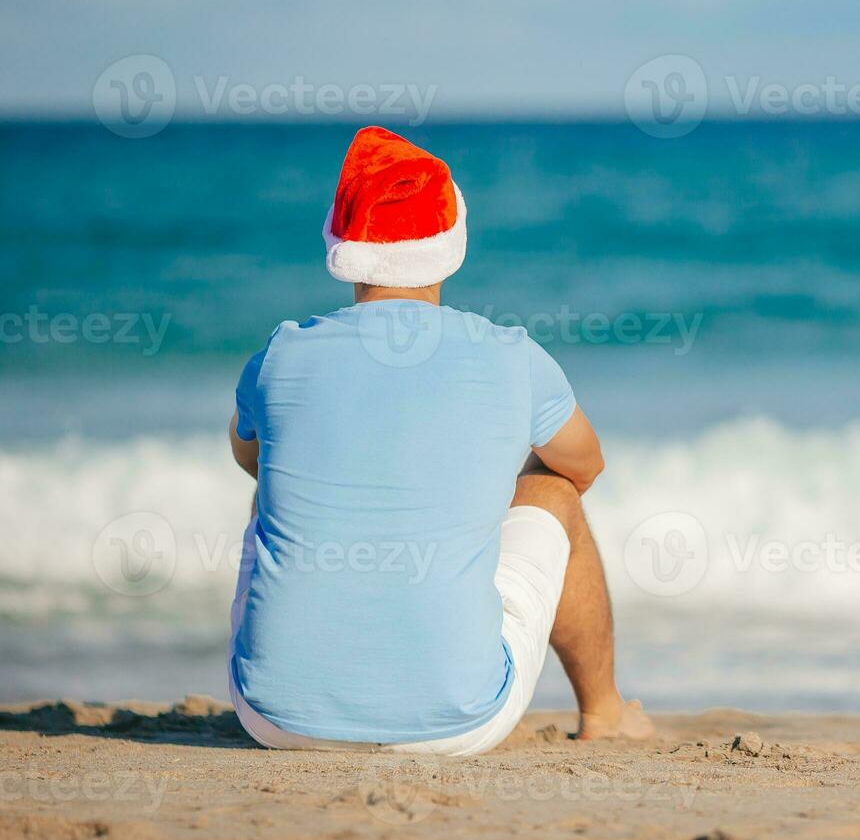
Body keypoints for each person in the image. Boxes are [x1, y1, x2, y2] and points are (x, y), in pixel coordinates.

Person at [224, 125, 651, 754]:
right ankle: (607, 713)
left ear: (341, 243)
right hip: (460, 722)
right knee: (556, 492)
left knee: (273, 496)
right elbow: (585, 466)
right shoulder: (511, 357)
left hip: (272, 720)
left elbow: (251, 460)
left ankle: (305, 674)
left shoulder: (281, 353)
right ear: (452, 243)